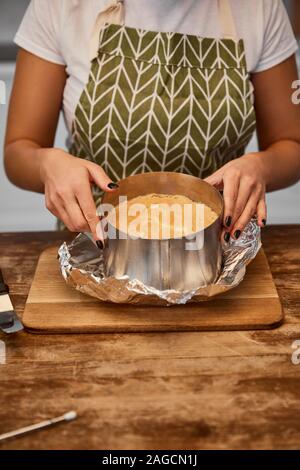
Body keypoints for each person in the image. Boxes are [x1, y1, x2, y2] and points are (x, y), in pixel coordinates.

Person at [4, 0, 300, 243]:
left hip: (213, 246)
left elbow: (291, 145)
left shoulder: (259, 8)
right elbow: (19, 151)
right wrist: (48, 165)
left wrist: (260, 167)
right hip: (97, 245)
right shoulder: (58, 6)